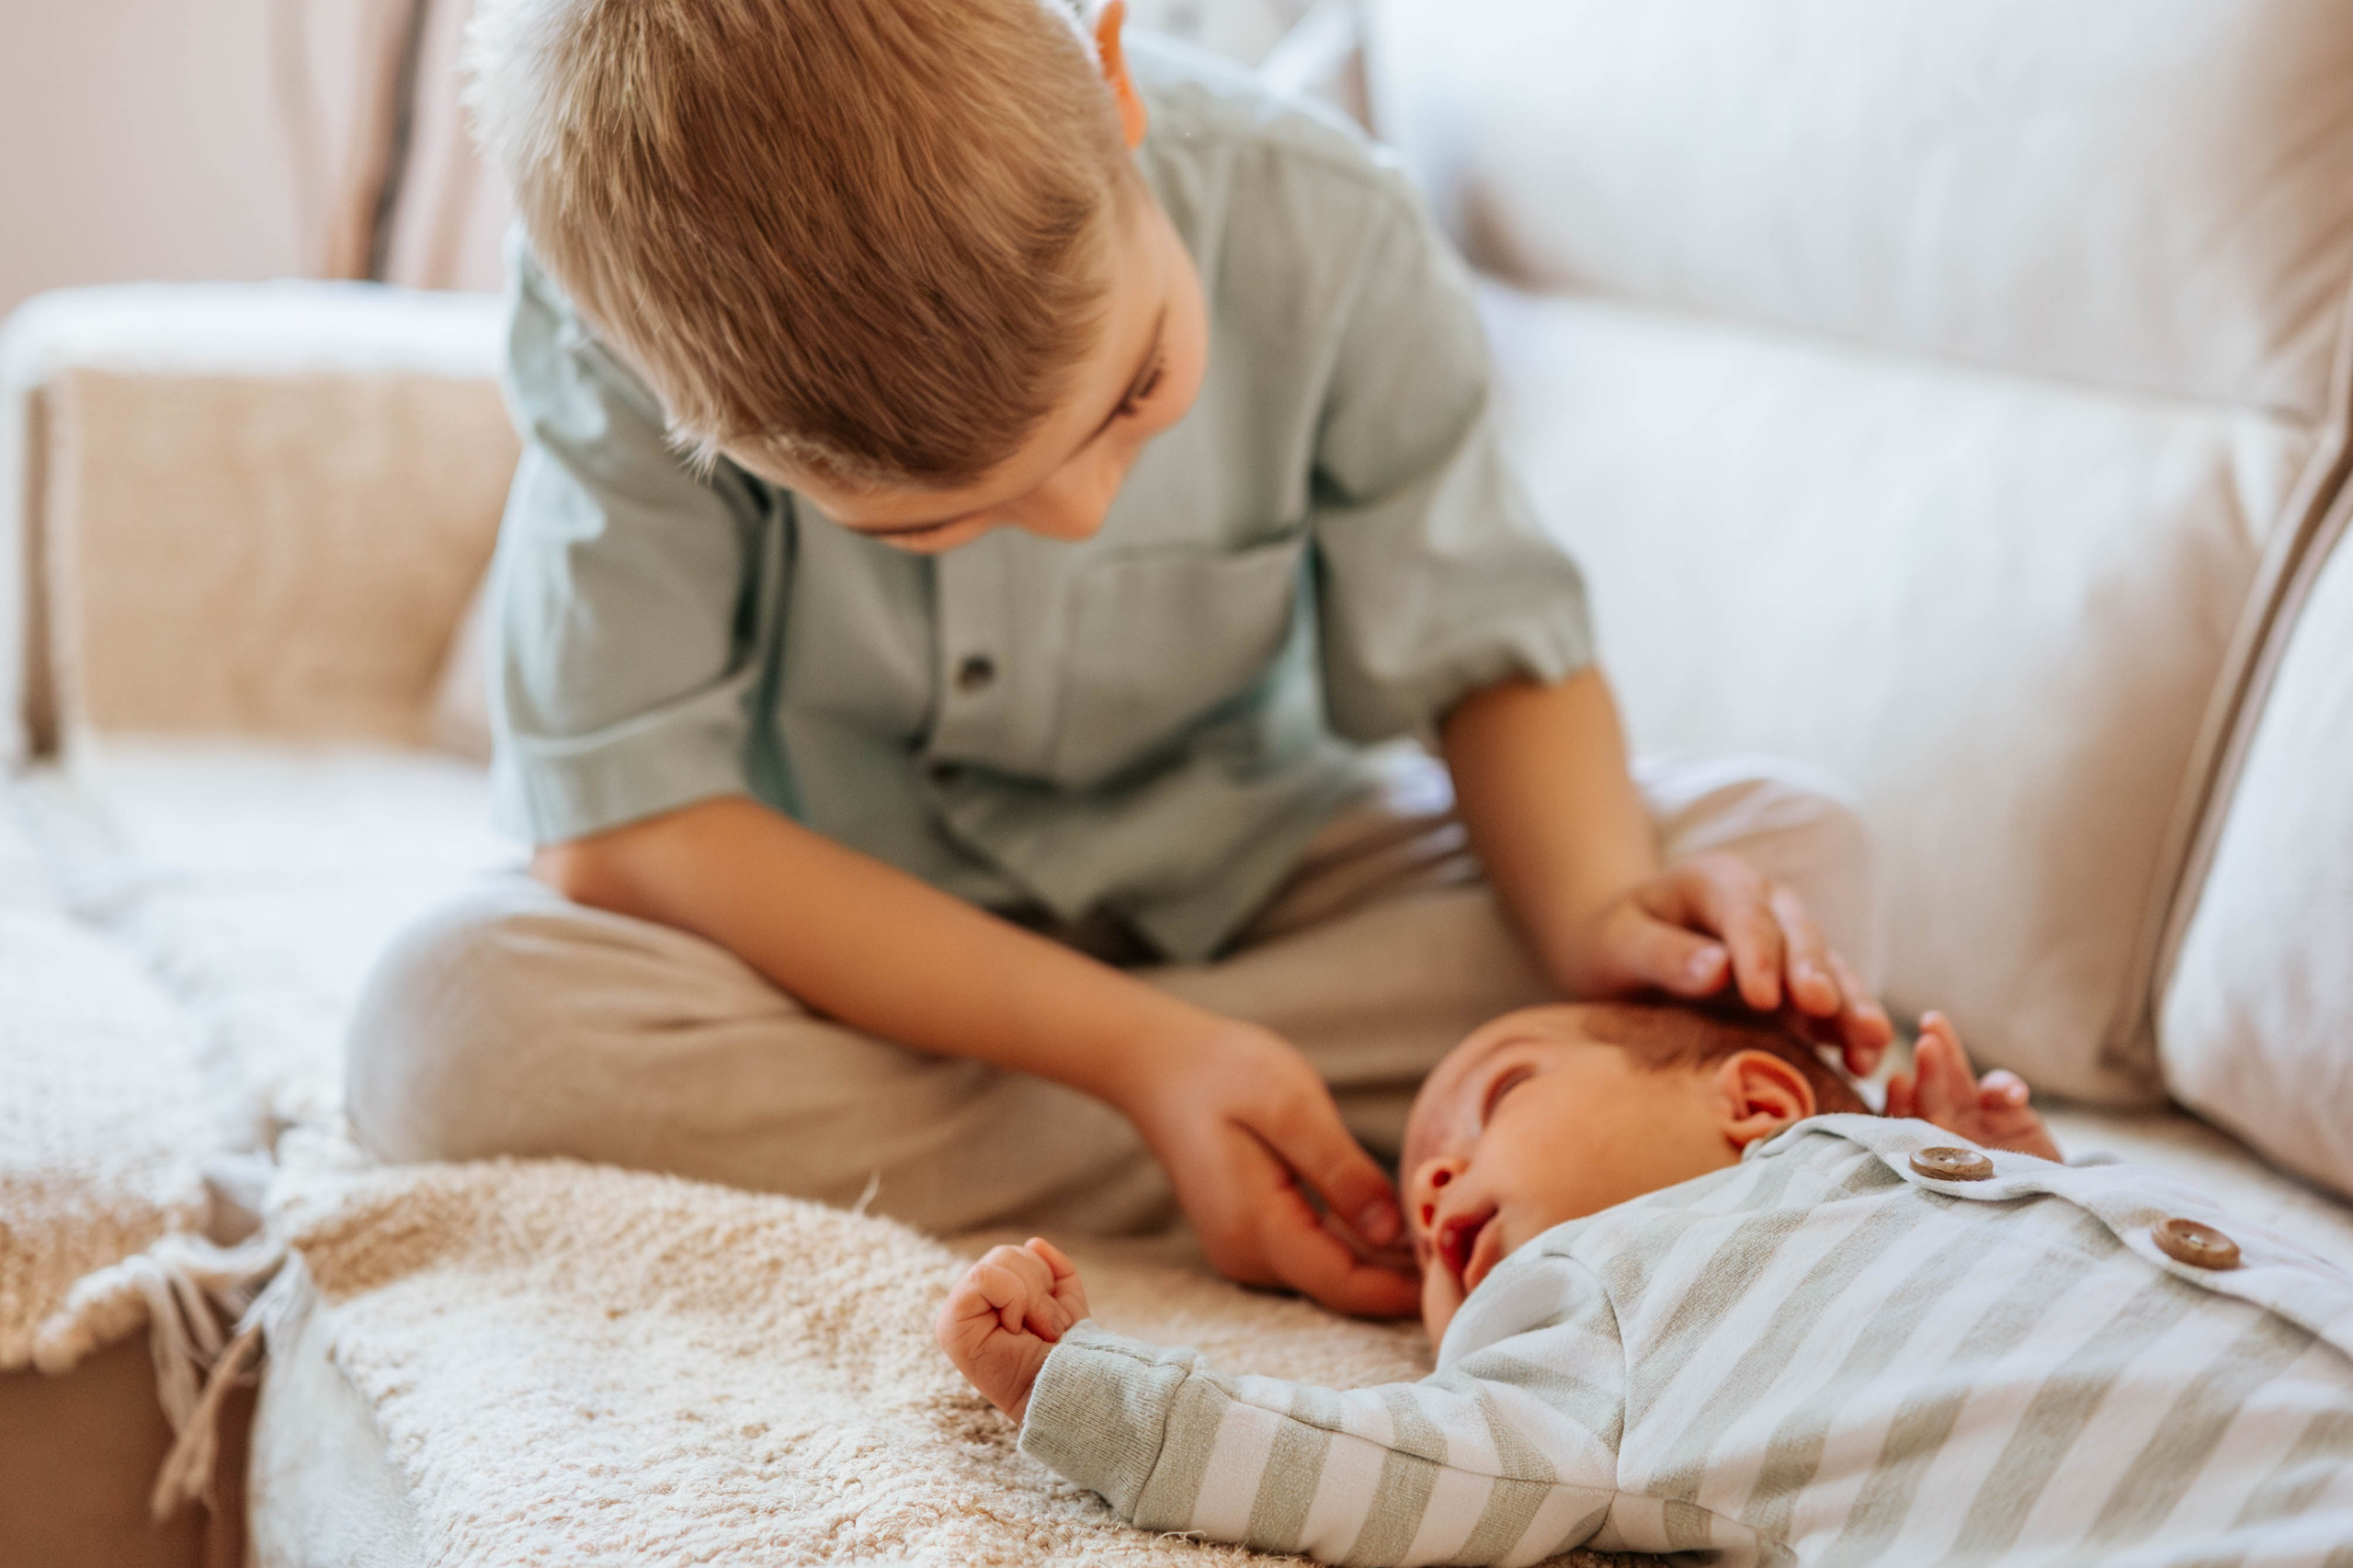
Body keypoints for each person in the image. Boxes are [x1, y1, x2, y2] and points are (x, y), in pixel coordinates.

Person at [346, 0, 1890, 1319]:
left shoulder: (1326, 222)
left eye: (1137, 388)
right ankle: (1230, 1113)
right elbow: (632, 827)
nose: (1078, 513)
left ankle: (1198, 1112)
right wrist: (1142, 1053)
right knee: (448, 1025)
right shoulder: (621, 329)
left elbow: (1492, 651)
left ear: (1114, 73)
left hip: (1264, 878)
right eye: (931, 527)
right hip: (849, 956)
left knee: (1788, 853)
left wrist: (1599, 907)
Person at [940, 1006, 2353, 1565]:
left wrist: (2023, 1173)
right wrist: (1092, 1390)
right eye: (1428, 1179)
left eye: (1486, 1104)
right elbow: (1395, 1463)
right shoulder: (1586, 1306)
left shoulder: (1865, 1168)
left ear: (1755, 1100)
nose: (1429, 1187)